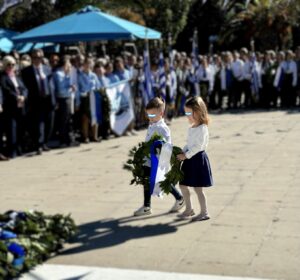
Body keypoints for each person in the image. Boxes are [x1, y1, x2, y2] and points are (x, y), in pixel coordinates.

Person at [133, 97, 184, 216]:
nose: (150, 118)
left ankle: (179, 198)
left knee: (161, 181)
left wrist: (161, 159)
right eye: (148, 115)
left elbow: (166, 145)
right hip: (149, 159)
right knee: (146, 179)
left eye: (152, 115)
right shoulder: (152, 124)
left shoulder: (163, 128)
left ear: (161, 113)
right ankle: (147, 206)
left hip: (158, 160)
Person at [176, 96, 213, 221]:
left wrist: (186, 155)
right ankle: (189, 209)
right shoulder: (192, 127)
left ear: (197, 112)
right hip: (189, 159)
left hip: (197, 160)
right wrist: (183, 150)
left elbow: (198, 146)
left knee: (198, 188)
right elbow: (190, 143)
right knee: (183, 185)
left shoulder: (202, 128)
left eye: (188, 113)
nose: (186, 116)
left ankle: (204, 212)